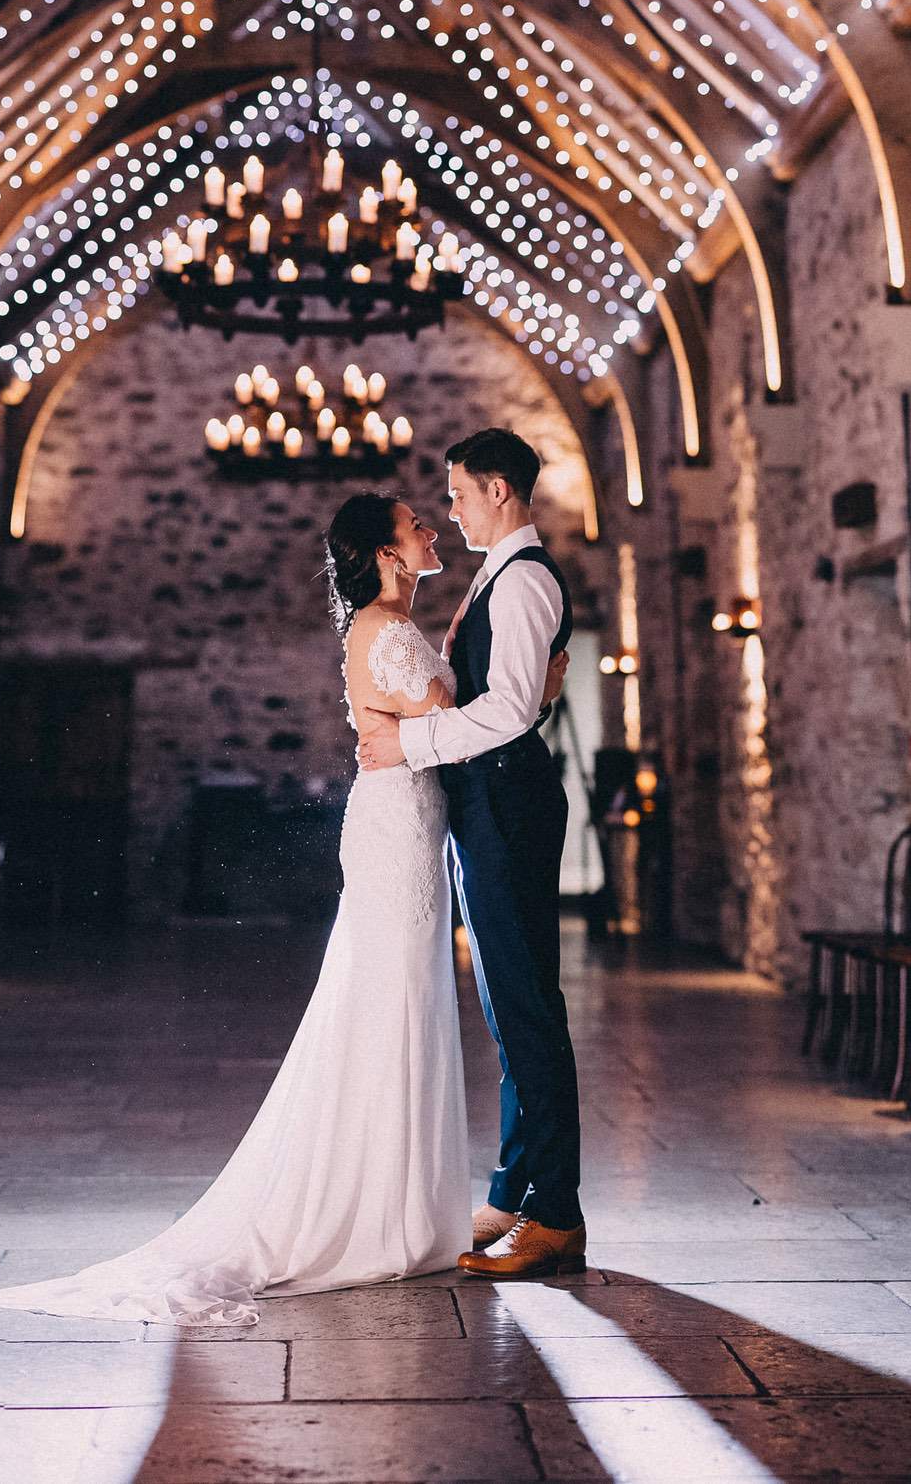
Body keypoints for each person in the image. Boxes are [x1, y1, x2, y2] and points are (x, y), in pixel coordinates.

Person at [0, 486, 558, 1331]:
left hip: (412, 824)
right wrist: (531, 698)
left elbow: (445, 724)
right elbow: (464, 724)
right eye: (416, 525)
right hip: (395, 835)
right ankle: (368, 1217)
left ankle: (401, 1209)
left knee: (408, 1004)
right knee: (386, 1007)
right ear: (388, 553)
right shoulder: (383, 633)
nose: (433, 530)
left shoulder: (403, 628)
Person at [355, 426, 585, 1280]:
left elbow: (511, 711)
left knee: (528, 1007)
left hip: (511, 803)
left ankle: (556, 1215)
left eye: (456, 492)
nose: (449, 510)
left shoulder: (522, 581)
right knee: (505, 1004)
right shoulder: (498, 576)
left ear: (498, 489)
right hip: (487, 803)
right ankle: (516, 1186)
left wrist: (409, 749)